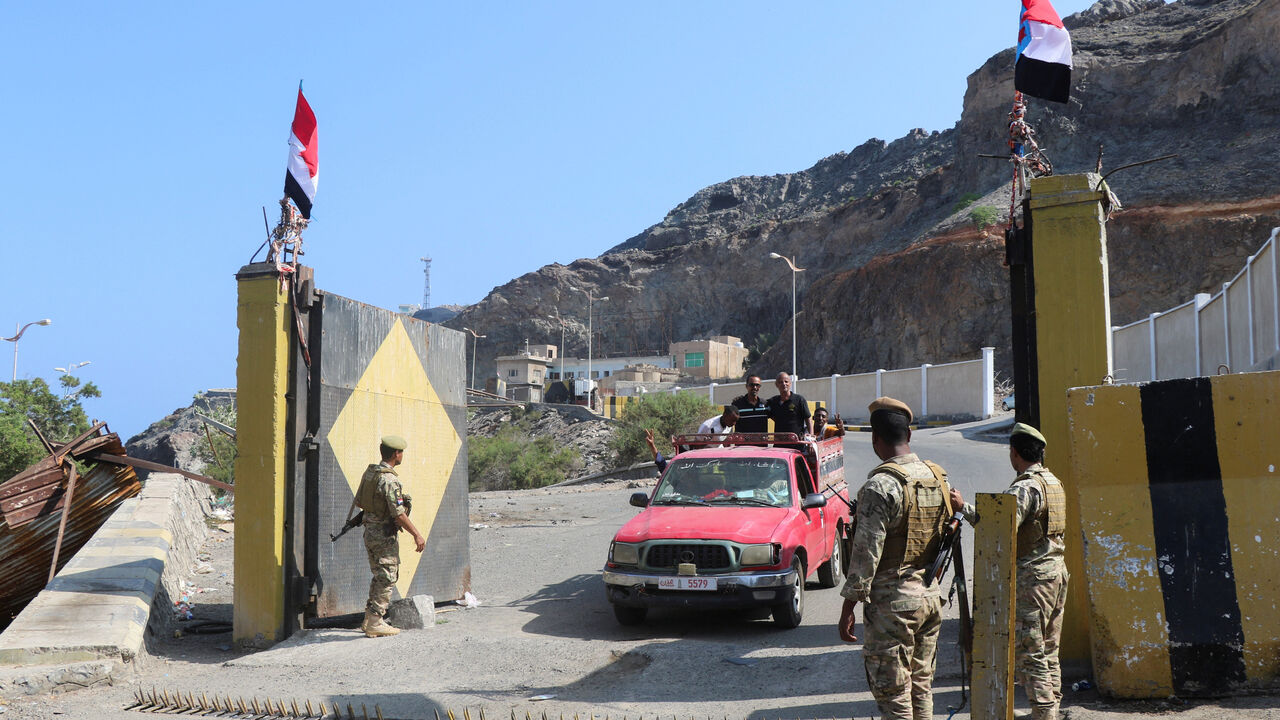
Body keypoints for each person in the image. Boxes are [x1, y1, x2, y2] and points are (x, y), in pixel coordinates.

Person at [837, 397, 953, 720]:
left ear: (875, 439)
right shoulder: (937, 476)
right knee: (921, 688)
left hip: (893, 609)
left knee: (894, 696)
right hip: (929, 599)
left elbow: (865, 555)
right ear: (909, 436)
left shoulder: (880, 486)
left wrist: (848, 607)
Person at [951, 423, 1068, 720]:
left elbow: (998, 528)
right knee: (1049, 648)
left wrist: (963, 507)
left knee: (1031, 651)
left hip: (1034, 580)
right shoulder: (1053, 482)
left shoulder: (1025, 486)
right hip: (1056, 574)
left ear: (1014, 453)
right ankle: (1051, 706)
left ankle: (1043, 712)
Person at [355, 435, 427, 638]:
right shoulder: (390, 479)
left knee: (380, 575)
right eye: (401, 452)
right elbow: (398, 514)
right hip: (383, 536)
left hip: (370, 531)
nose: (402, 455)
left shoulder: (372, 473)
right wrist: (417, 535)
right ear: (397, 454)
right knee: (388, 576)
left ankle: (370, 619)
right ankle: (376, 621)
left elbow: (361, 502)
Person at [766, 372, 812, 438]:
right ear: (776, 384)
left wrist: (811, 436)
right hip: (779, 443)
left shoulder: (799, 400)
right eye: (780, 382)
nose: (784, 384)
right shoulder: (773, 401)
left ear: (790, 383)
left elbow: (808, 418)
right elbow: (770, 415)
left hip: (797, 442)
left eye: (786, 381)